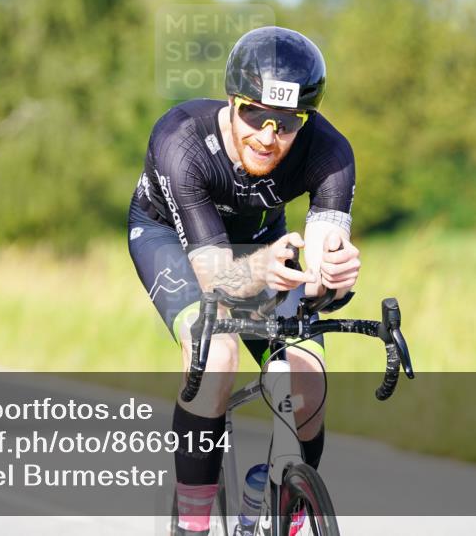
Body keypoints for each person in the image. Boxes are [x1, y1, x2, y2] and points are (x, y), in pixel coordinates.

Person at [127, 26, 360, 536]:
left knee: (306, 373)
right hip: (172, 238)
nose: (267, 135)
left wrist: (335, 278)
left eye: (286, 121)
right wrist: (256, 270)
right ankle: (193, 524)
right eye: (254, 113)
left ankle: (283, 499)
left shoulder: (330, 154)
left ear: (307, 118)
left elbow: (321, 281)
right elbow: (214, 275)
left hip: (260, 244)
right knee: (216, 356)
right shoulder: (182, 140)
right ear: (233, 102)